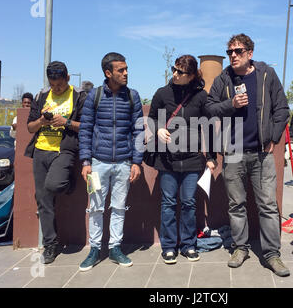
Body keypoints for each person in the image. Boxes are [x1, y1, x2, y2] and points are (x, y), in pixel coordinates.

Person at [205, 33, 290, 277]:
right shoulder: (224, 78)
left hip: (261, 154)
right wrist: (231, 104)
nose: (233, 55)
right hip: (232, 154)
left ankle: (272, 254)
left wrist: (273, 137)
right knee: (236, 205)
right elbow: (210, 108)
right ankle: (240, 247)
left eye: (238, 51)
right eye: (230, 51)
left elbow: (282, 108)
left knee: (268, 206)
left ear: (250, 54)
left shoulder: (266, 75)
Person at [147, 54, 217, 264]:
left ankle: (188, 245)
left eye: (181, 72)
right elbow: (151, 118)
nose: (175, 74)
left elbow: (209, 128)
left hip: (193, 159)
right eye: (174, 69)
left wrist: (211, 157)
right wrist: (158, 128)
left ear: (192, 75)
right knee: (168, 203)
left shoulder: (201, 96)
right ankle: (169, 247)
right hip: (167, 160)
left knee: (188, 203)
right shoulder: (162, 93)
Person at [78, 52, 143, 271]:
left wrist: (136, 162)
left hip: (124, 163)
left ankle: (115, 247)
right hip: (98, 163)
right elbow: (85, 129)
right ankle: (94, 248)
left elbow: (138, 131)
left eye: (126, 69)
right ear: (108, 73)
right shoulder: (94, 96)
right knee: (95, 207)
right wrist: (86, 161)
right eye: (121, 70)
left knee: (119, 207)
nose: (126, 73)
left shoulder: (132, 96)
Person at [25, 61, 87, 264]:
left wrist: (66, 122)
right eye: (53, 85)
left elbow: (87, 125)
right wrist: (42, 121)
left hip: (64, 149)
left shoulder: (79, 96)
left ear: (67, 78)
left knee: (55, 184)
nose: (56, 88)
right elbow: (30, 128)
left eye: (59, 84)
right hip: (41, 150)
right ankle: (50, 244)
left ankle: (68, 182)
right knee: (43, 202)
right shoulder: (42, 96)